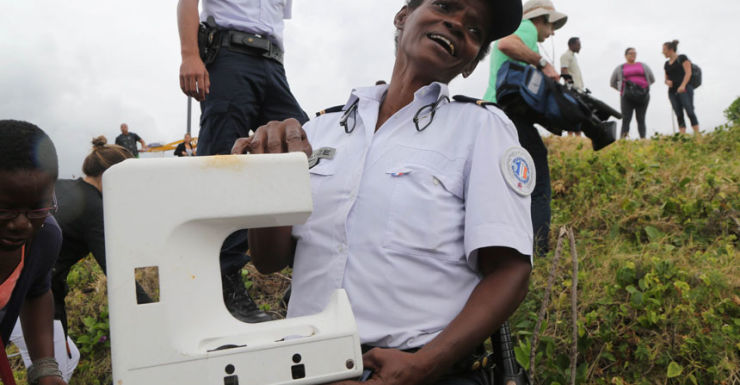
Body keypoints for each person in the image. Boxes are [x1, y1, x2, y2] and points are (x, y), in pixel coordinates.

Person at [233, 1, 532, 384]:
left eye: (475, 30)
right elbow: (270, 259)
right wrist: (270, 174)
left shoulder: (481, 129)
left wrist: (423, 365)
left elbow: (510, 271)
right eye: (445, 5)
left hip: (418, 371)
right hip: (305, 367)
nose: (457, 23)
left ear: (471, 63)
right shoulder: (322, 130)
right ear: (403, 16)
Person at [177, 0, 309, 323]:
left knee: (305, 157)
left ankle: (308, 277)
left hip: (273, 66)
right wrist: (189, 55)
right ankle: (224, 283)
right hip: (229, 56)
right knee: (224, 163)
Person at [483, 0, 567, 256]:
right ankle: (538, 251)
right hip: (508, 113)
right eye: (551, 26)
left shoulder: (526, 35)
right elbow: (506, 44)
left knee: (502, 182)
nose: (551, 33)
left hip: (492, 111)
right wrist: (544, 64)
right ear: (540, 19)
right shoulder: (527, 28)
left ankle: (502, 246)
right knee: (537, 180)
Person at [0, 120, 67, 385]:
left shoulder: (44, 237)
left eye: (38, 208)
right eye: (4, 209)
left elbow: (37, 291)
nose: (21, 223)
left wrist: (45, 369)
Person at [610, 47, 656, 139]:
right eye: (630, 53)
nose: (633, 55)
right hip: (627, 97)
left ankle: (643, 139)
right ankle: (623, 140)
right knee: (626, 119)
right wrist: (622, 90)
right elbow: (612, 82)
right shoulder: (620, 68)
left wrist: (642, 87)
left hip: (643, 96)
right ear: (625, 55)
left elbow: (652, 79)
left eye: (635, 53)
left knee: (641, 119)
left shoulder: (643, 66)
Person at [662, 40, 699, 135]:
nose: (663, 52)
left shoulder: (682, 58)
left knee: (690, 111)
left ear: (670, 50)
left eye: (664, 50)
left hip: (685, 88)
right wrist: (667, 82)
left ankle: (697, 134)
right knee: (679, 114)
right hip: (672, 91)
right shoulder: (666, 64)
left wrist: (682, 85)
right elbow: (666, 79)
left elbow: (688, 73)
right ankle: (682, 136)